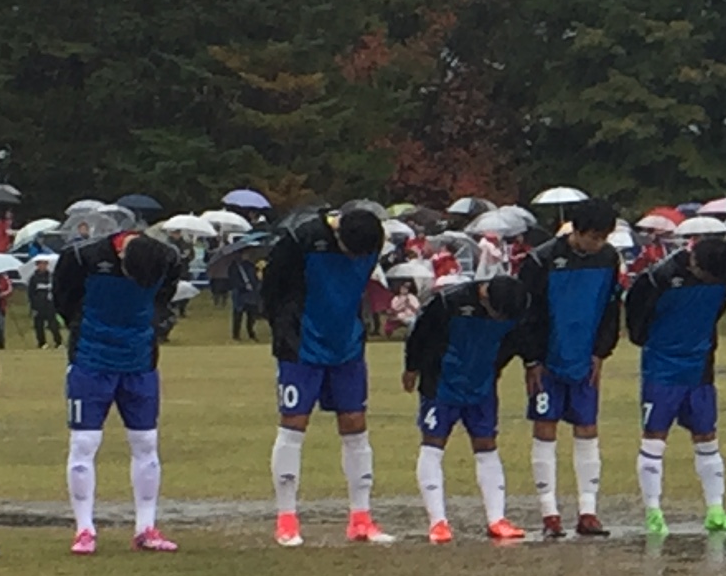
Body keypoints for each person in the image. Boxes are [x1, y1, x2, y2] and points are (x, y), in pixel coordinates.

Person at [261, 201, 394, 546]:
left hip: (346, 344)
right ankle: (286, 519)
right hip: (301, 343)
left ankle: (361, 518)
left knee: (355, 423)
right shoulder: (301, 238)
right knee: (294, 423)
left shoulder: (373, 238)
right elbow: (272, 288)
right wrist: (283, 330)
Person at [50, 226, 181, 553]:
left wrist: (154, 325)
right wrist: (83, 327)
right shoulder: (83, 257)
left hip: (139, 361)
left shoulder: (166, 259)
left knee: (146, 441)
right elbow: (63, 298)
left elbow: (164, 298)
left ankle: (146, 527)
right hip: (90, 360)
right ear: (121, 255)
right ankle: (84, 529)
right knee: (84, 441)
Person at [623, 223, 726, 535]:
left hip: (700, 367)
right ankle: (654, 513)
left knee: (707, 437)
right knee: (654, 439)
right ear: (693, 262)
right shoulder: (658, 279)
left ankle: (716, 510)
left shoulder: (723, 274)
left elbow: (716, 311)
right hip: (662, 369)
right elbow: (636, 319)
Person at [518, 198, 622, 538]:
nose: (598, 244)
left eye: (604, 237)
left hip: (584, 357)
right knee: (545, 427)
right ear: (575, 231)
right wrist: (531, 358)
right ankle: (549, 513)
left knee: (587, 427)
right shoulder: (541, 260)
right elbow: (526, 314)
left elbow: (610, 309)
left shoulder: (609, 258)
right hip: (548, 360)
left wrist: (600, 352)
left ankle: (588, 511)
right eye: (593, 236)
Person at [403, 270, 531, 543]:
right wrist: (412, 367)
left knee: (486, 445)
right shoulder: (449, 302)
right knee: (433, 443)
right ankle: (438, 522)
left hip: (481, 384)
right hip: (442, 383)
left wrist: (526, 364)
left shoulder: (516, 306)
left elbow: (518, 340)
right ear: (485, 298)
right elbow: (421, 334)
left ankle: (497, 518)